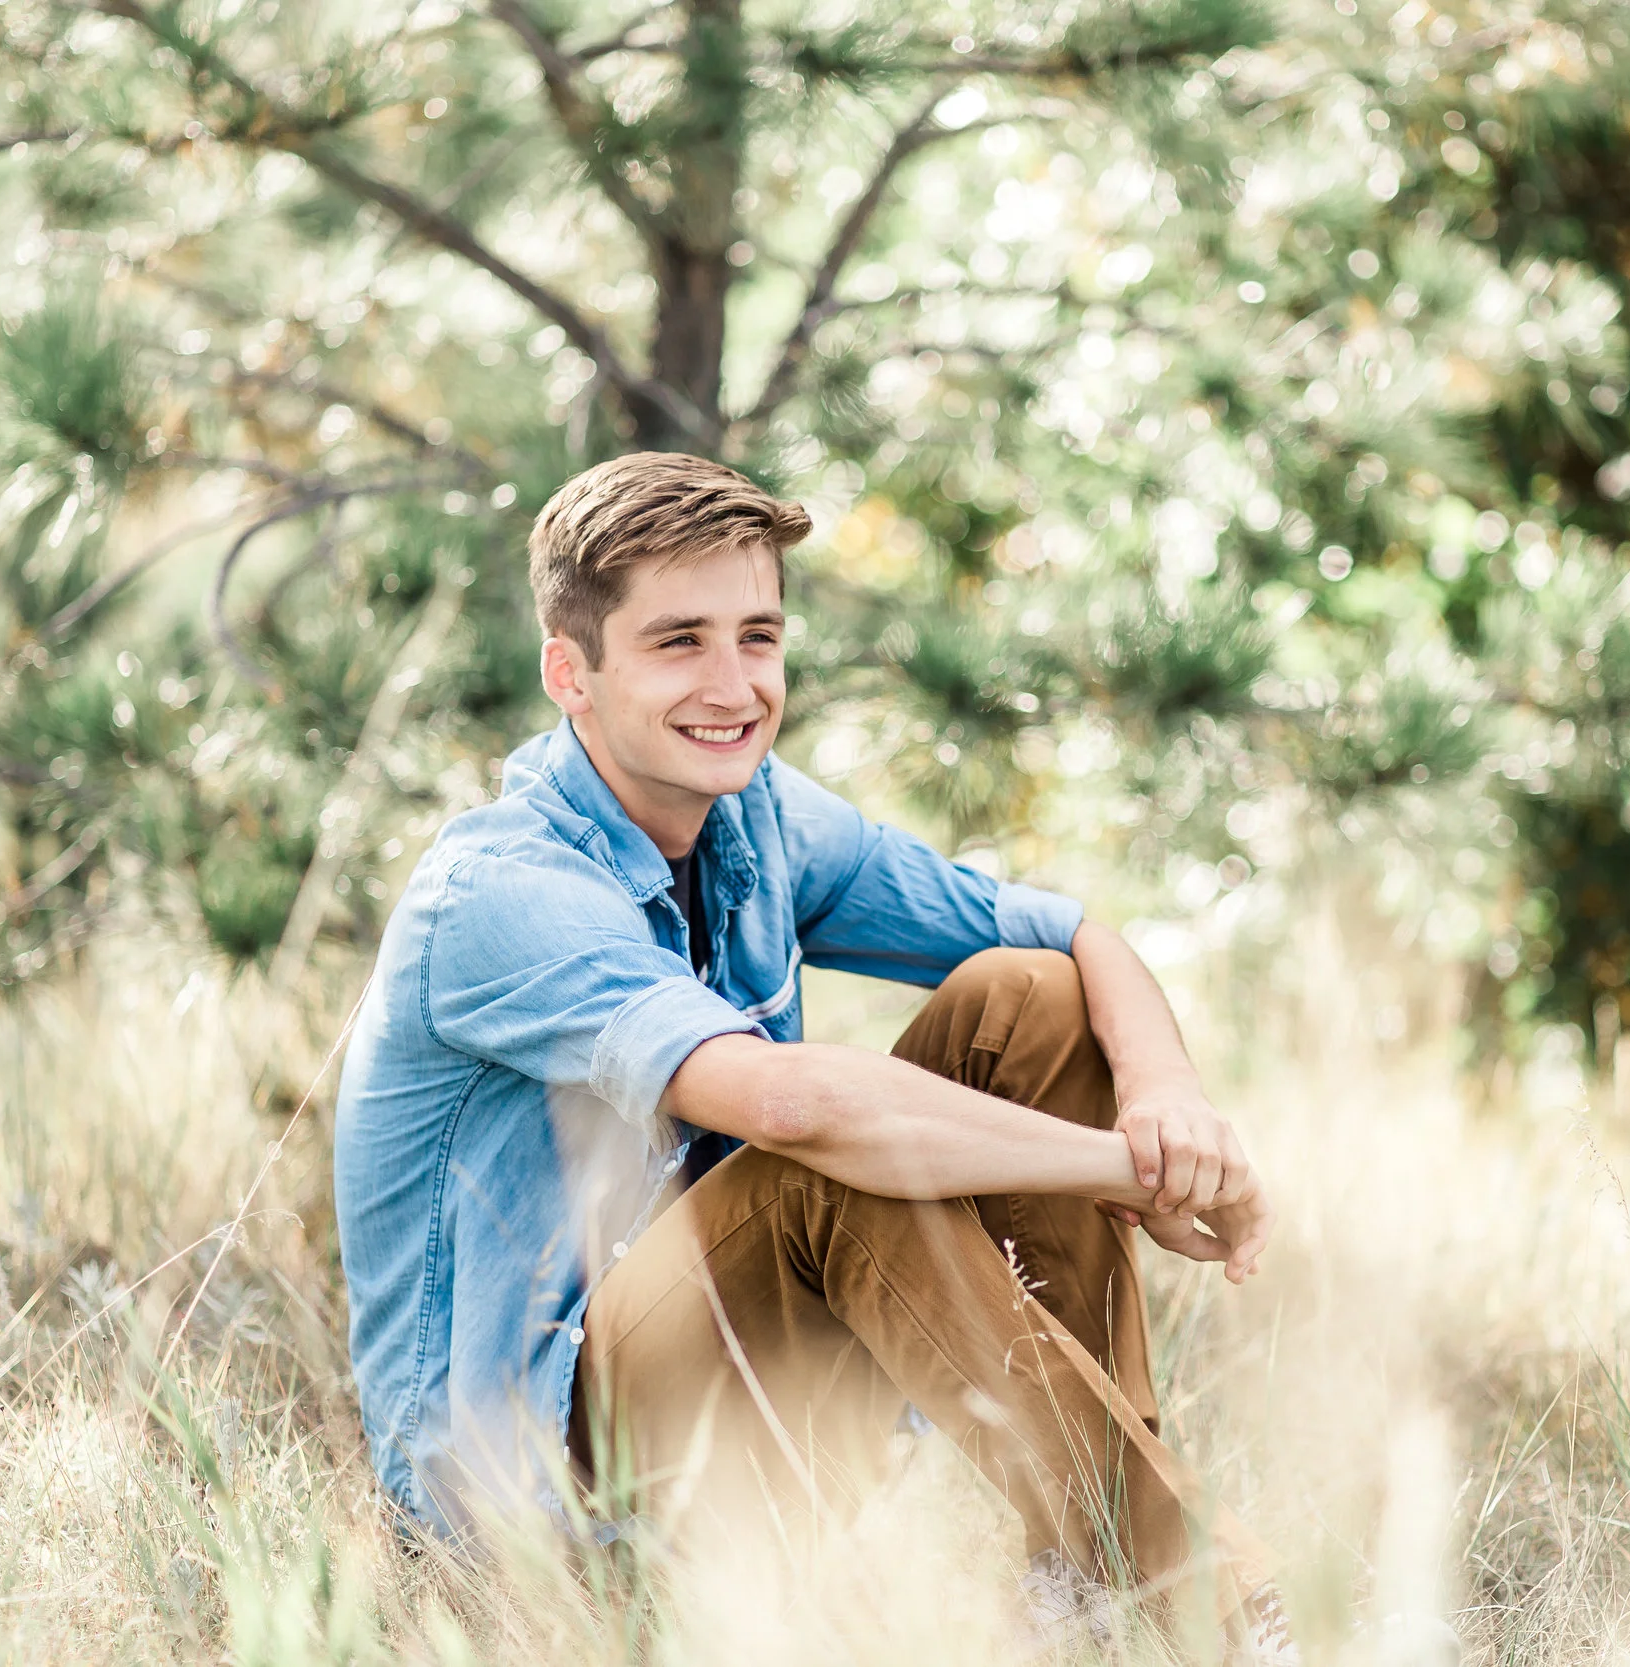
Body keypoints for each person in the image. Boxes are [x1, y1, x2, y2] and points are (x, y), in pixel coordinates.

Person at [333, 452, 1286, 1655]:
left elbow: (1073, 936)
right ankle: (1201, 1596)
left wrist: (1169, 1103)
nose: (732, 684)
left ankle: (1090, 1562)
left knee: (1025, 998)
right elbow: (790, 1106)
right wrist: (1128, 1171)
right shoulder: (499, 890)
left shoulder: (754, 814)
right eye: (678, 642)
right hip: (535, 1510)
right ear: (570, 672)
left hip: (741, 1406)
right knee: (824, 1160)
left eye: (758, 636)